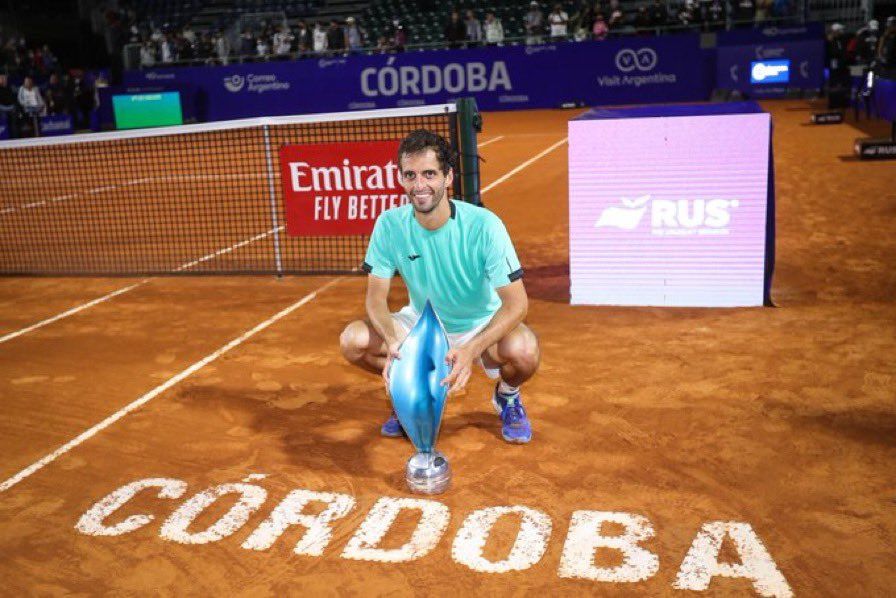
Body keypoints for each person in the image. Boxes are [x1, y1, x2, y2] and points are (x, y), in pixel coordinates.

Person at [339, 130, 539, 444]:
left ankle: (507, 395)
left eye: (429, 174)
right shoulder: (389, 225)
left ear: (448, 177)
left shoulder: (485, 226)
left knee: (524, 352)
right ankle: (408, 394)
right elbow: (375, 300)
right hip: (421, 325)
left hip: (479, 327)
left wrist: (471, 348)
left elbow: (517, 305)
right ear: (400, 178)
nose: (419, 186)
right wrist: (393, 342)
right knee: (353, 340)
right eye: (410, 175)